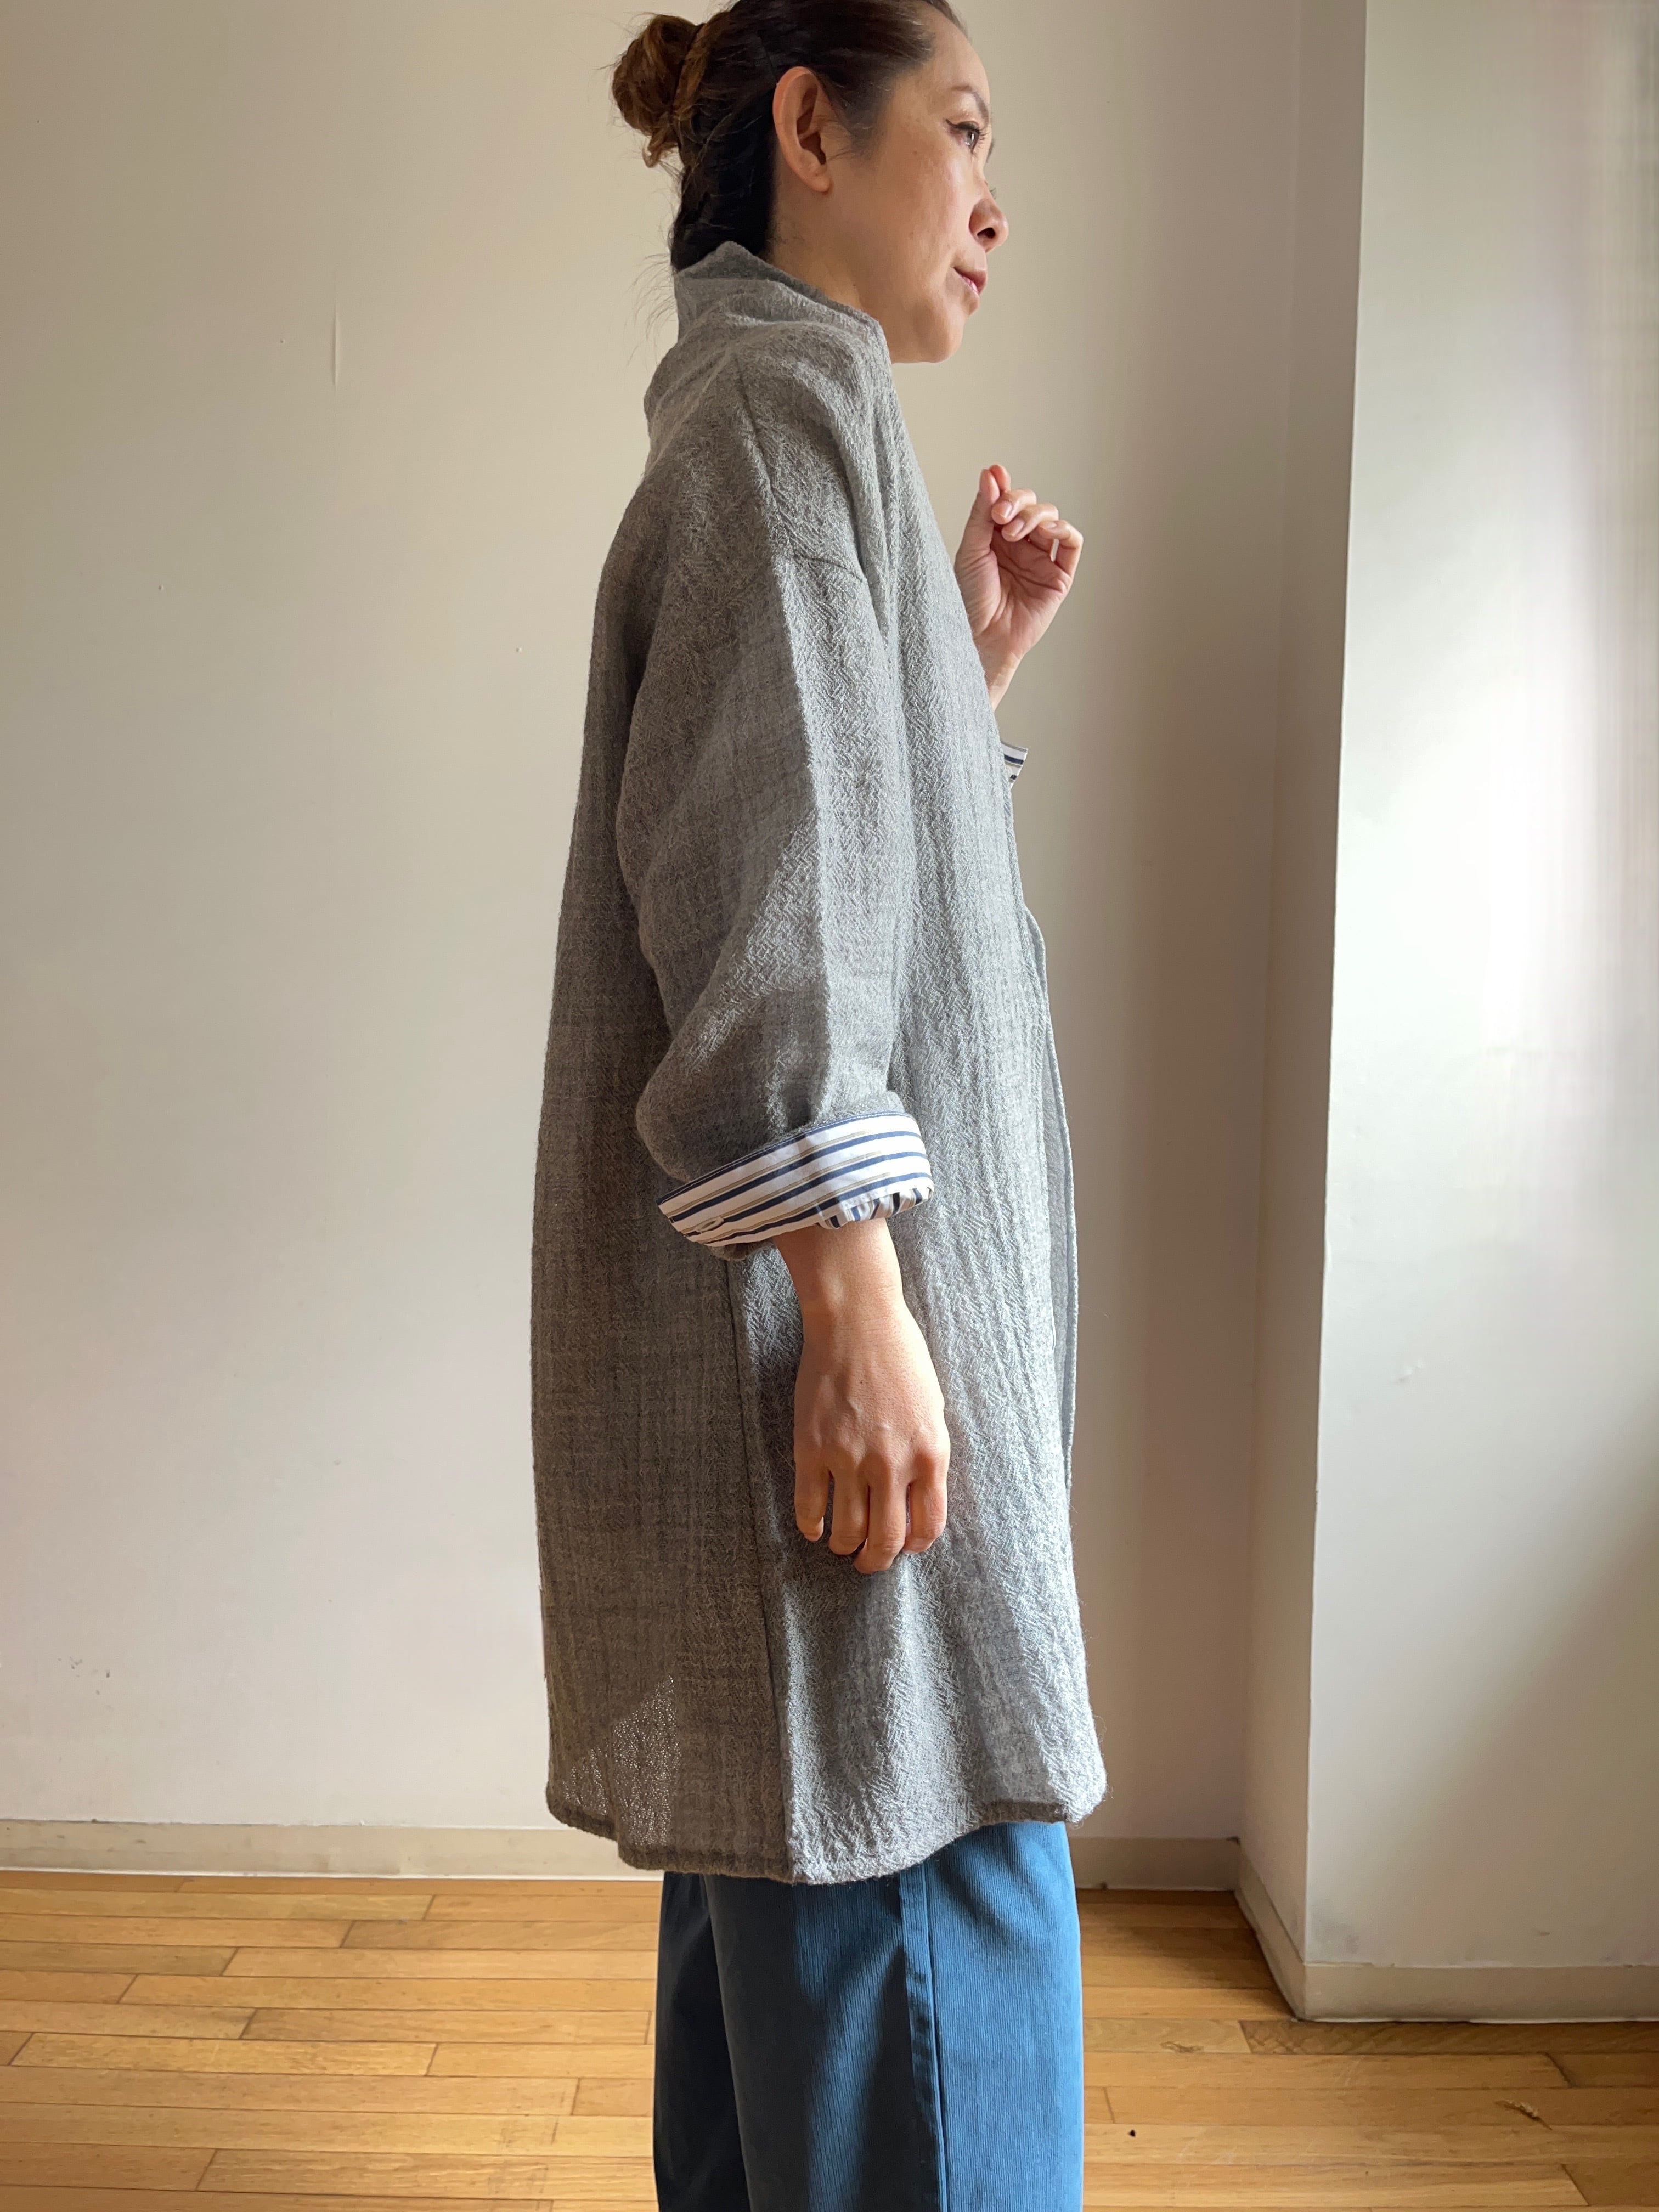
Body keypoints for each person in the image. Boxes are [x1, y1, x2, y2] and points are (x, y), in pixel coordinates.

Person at [529, 1, 1107, 2202]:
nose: (993, 203)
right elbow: (763, 915)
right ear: (810, 129)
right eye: (960, 130)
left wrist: (959, 664)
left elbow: (830, 837)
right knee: (909, 1852)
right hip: (845, 1365)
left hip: (826, 1353)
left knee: (797, 1903)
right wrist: (854, 1303)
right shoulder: (785, 427)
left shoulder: (793, 419)